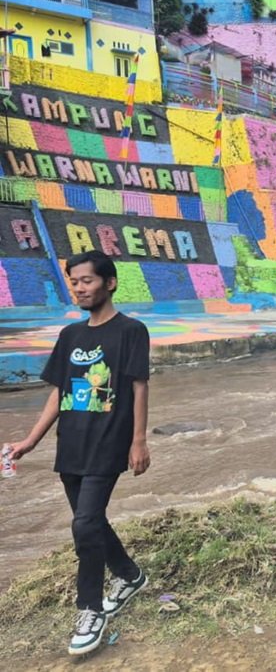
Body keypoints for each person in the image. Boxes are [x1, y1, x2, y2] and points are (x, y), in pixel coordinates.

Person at [3, 251, 151, 656]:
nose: (80, 288)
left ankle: (90, 609)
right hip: (72, 442)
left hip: (109, 441)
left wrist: (138, 441)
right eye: (75, 282)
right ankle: (129, 575)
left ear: (110, 283)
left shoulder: (131, 331)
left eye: (87, 280)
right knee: (90, 521)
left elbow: (139, 385)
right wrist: (30, 440)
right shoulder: (71, 336)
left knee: (84, 524)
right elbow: (60, 393)